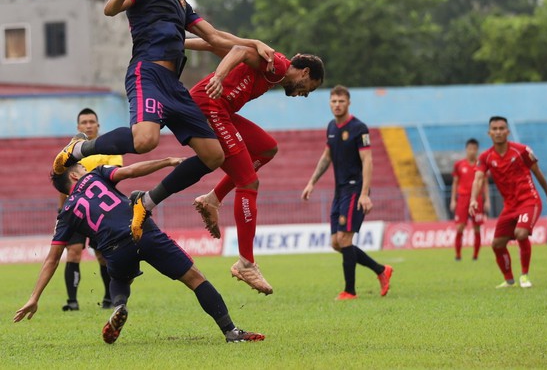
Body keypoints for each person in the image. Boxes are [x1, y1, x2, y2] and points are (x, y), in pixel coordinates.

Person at [52, 0, 274, 241]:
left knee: (214, 156)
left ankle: (146, 202)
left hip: (174, 86)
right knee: (145, 141)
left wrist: (253, 44)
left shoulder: (181, 3)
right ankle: (78, 149)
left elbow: (215, 37)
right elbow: (109, 9)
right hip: (148, 74)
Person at [14, 158, 265, 344]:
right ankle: (231, 331)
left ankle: (119, 306)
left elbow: (52, 259)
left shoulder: (65, 214)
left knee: (120, 278)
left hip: (113, 248)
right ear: (74, 176)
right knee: (195, 279)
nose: (84, 168)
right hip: (142, 230)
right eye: (80, 166)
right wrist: (167, 162)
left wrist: (34, 297)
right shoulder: (95, 176)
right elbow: (131, 171)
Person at [185, 40, 324, 295]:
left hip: (221, 110)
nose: (303, 94)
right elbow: (237, 51)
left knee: (267, 148)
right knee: (249, 182)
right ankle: (246, 263)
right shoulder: (279, 67)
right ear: (305, 72)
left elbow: (219, 44)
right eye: (308, 88)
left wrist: (178, 42)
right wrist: (218, 77)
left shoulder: (274, 69)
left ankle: (213, 199)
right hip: (210, 107)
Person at [301, 85, 393, 300]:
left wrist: (364, 193)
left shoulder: (359, 128)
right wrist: (311, 182)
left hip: (354, 188)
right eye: (333, 101)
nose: (337, 105)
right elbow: (326, 157)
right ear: (329, 103)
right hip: (339, 190)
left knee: (344, 238)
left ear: (348, 103)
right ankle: (381, 270)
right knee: (336, 242)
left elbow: (368, 160)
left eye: (341, 101)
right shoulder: (331, 127)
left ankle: (350, 291)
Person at [470, 116, 547, 289]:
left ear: (508, 131)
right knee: (497, 244)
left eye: (501, 128)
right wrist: (473, 199)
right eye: (494, 129)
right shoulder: (486, 157)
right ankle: (509, 280)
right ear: (489, 133)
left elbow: (537, 172)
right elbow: (478, 179)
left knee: (521, 233)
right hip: (509, 206)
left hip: (529, 200)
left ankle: (524, 276)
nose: (498, 132)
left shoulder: (521, 150)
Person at [59, 108, 123, 311]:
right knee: (74, 253)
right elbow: (62, 183)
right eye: (84, 122)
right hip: (76, 209)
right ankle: (72, 301)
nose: (88, 125)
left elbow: (116, 175)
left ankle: (108, 298)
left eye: (91, 122)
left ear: (98, 125)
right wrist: (61, 212)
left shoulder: (110, 148)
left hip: (100, 210)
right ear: (78, 127)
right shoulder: (69, 153)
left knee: (103, 255)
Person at [450, 138, 487, 261]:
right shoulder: (459, 165)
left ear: (477, 150)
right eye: (470, 148)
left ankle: (475, 256)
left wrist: (487, 200)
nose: (472, 151)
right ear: (466, 149)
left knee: (477, 227)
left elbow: (485, 183)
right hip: (463, 199)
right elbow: (455, 183)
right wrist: (453, 200)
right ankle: (458, 255)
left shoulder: (481, 164)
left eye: (474, 149)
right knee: (460, 227)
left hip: (477, 199)